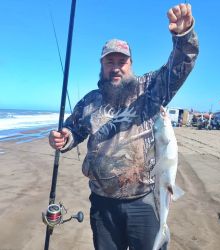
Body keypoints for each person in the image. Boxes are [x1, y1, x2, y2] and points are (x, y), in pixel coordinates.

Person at [49, 3, 199, 250]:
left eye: (122, 61)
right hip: (102, 203)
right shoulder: (90, 100)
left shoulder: (149, 90)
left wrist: (183, 36)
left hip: (143, 202)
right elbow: (73, 131)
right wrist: (63, 138)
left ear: (130, 64)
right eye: (110, 62)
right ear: (102, 66)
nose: (116, 67)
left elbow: (181, 65)